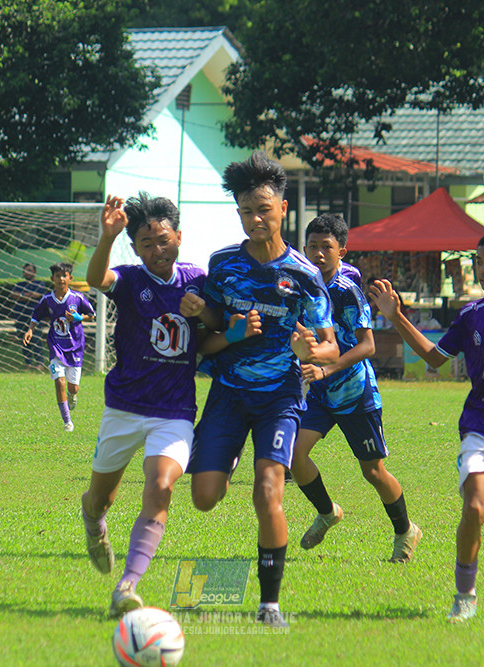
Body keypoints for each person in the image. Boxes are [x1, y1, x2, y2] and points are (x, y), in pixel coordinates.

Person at [368, 227, 484, 623]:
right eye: (479, 261)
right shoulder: (471, 317)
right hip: (479, 427)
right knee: (475, 506)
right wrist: (396, 316)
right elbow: (434, 358)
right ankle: (464, 594)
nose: (483, 269)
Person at [188, 151, 339, 629]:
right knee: (205, 497)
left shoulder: (305, 275)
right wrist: (207, 314)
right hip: (228, 394)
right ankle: (225, 456)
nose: (256, 218)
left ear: (283, 210)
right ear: (238, 213)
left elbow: (332, 345)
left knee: (268, 492)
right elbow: (211, 326)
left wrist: (308, 349)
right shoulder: (223, 264)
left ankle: (269, 604)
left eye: (264, 209)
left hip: (280, 398)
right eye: (247, 210)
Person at [81, 192, 229, 617]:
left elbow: (216, 329)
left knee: (162, 485)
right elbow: (95, 278)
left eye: (164, 240)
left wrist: (205, 311)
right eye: (147, 244)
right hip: (124, 407)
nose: (157, 250)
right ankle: (93, 523)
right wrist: (107, 237)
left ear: (178, 236)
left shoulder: (199, 280)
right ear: (135, 248)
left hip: (175, 411)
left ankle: (127, 586)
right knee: (100, 500)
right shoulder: (130, 280)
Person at [291, 214, 422, 563]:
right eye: (313, 247)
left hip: (354, 393)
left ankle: (405, 530)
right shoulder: (302, 288)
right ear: (304, 249)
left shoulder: (346, 292)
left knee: (373, 472)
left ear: (342, 252)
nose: (319, 254)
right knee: (294, 455)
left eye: (327, 248)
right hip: (319, 392)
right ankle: (327, 512)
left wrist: (328, 368)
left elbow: (368, 346)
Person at [22, 262, 95, 432]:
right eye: (57, 276)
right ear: (52, 279)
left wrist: (77, 317)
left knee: (73, 387)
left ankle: (73, 395)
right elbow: (36, 315)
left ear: (70, 278)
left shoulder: (77, 298)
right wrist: (30, 330)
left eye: (64, 275)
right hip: (56, 345)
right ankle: (67, 422)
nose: (61, 279)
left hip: (75, 346)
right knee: (60, 382)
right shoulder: (47, 299)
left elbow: (92, 315)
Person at [11, 263, 48, 371]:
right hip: (20, 315)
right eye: (26, 270)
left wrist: (23, 296)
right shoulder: (19, 284)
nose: (28, 272)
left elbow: (37, 295)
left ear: (34, 272)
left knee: (36, 339)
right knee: (23, 339)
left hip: (35, 316)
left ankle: (40, 363)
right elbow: (13, 295)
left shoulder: (39, 284)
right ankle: (28, 363)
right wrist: (28, 295)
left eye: (30, 270)